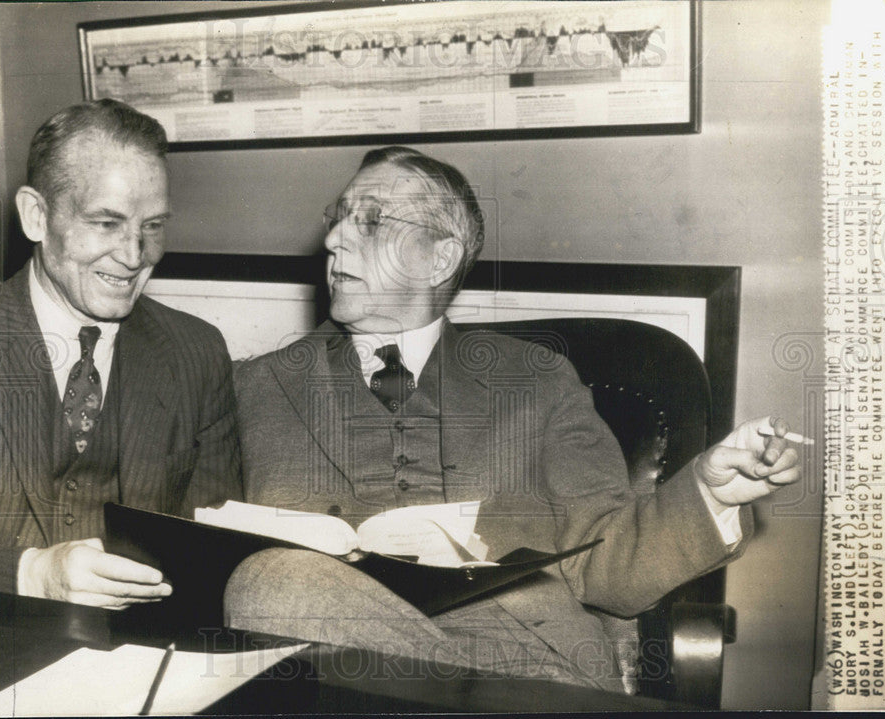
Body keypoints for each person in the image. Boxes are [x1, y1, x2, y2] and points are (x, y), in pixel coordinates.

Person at [225, 146, 802, 691]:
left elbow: (606, 567)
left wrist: (711, 494)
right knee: (273, 585)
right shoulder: (254, 387)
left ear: (441, 258)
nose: (333, 240)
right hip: (330, 661)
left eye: (371, 222)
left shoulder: (538, 380)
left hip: (526, 655)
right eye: (337, 219)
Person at [0, 99, 242, 608]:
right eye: (107, 223)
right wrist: (31, 574)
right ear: (36, 215)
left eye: (153, 226)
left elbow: (217, 555)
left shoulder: (196, 352)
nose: (135, 256)